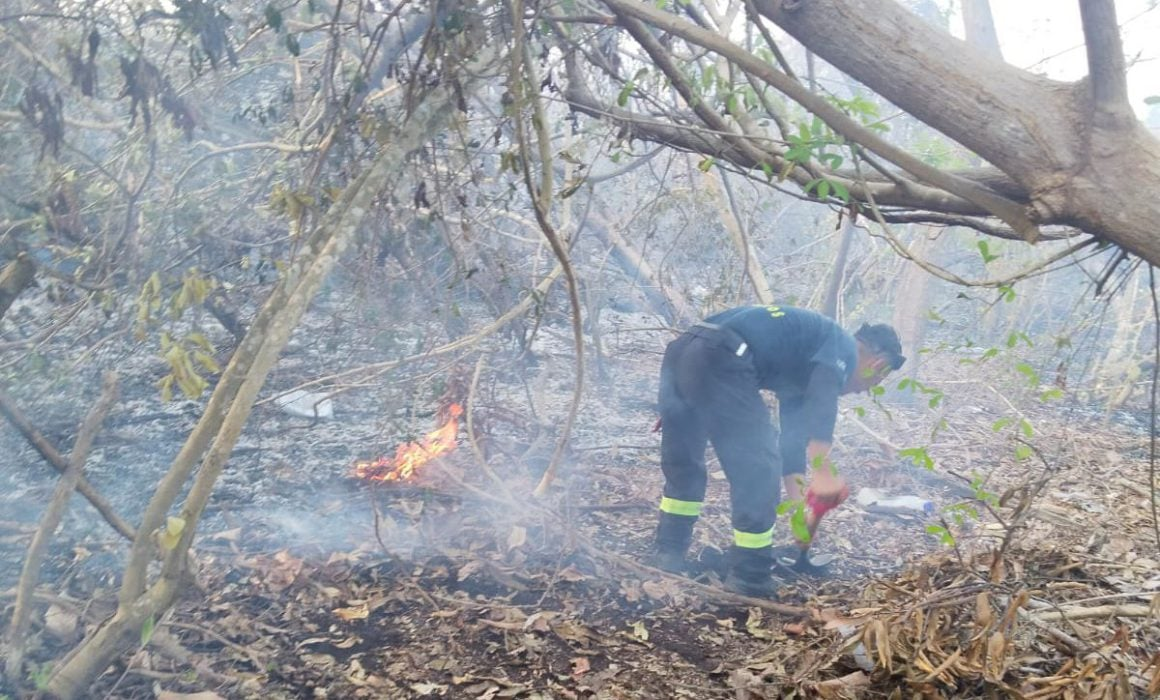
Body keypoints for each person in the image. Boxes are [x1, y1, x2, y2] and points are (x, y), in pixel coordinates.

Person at [651, 304, 904, 597]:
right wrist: (823, 470)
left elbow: (792, 440)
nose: (865, 389)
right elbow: (823, 401)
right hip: (723, 354)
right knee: (758, 469)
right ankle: (751, 576)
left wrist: (799, 517)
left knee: (685, 462)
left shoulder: (804, 360)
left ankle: (668, 553)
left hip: (685, 351)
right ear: (877, 362)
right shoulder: (843, 345)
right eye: (876, 379)